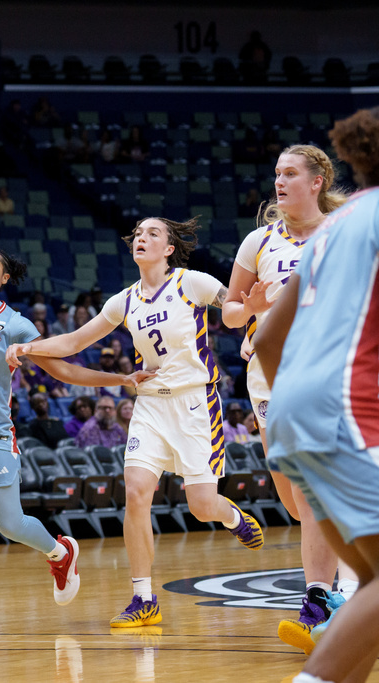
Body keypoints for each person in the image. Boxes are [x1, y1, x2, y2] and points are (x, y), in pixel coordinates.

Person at [7, 217, 265, 628]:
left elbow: (233, 309)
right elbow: (73, 343)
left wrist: (250, 319)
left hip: (196, 404)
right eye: (138, 235)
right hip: (149, 405)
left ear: (168, 249)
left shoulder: (190, 282)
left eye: (153, 234)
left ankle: (232, 517)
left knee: (201, 507)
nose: (142, 239)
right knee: (137, 491)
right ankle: (143, 597)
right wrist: (27, 347)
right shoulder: (123, 301)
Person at [0, 247, 151, 632]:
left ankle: (60, 552)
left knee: (10, 523)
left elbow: (63, 369)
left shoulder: (16, 325)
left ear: (5, 278)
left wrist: (119, 380)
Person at [254, 107, 379, 683]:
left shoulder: (331, 227)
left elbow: (269, 337)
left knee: (369, 591)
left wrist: (294, 411)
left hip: (292, 408)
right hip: (346, 409)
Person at [222, 144, 354, 653]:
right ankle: (335, 586)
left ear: (317, 180)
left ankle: (320, 598)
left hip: (326, 373)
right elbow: (231, 312)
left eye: (290, 173)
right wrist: (248, 309)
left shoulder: (343, 234)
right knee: (295, 500)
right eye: (276, 172)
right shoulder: (259, 240)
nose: (279, 181)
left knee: (314, 484)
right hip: (267, 377)